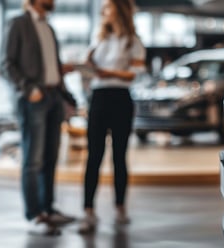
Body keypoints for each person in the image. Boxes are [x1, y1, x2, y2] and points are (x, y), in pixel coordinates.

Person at [1, 0, 76, 235]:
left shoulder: (49, 27)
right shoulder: (18, 24)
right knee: (33, 160)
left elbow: (53, 65)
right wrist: (28, 89)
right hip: (33, 99)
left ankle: (48, 209)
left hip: (54, 96)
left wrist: (66, 96)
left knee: (50, 157)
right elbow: (6, 64)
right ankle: (35, 215)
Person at [78, 0, 146, 233]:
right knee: (93, 156)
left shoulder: (133, 42)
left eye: (108, 7)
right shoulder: (98, 39)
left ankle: (120, 207)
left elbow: (132, 74)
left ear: (119, 9)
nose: (103, 11)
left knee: (119, 155)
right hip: (98, 98)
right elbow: (88, 69)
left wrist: (106, 72)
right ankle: (88, 210)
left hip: (120, 98)